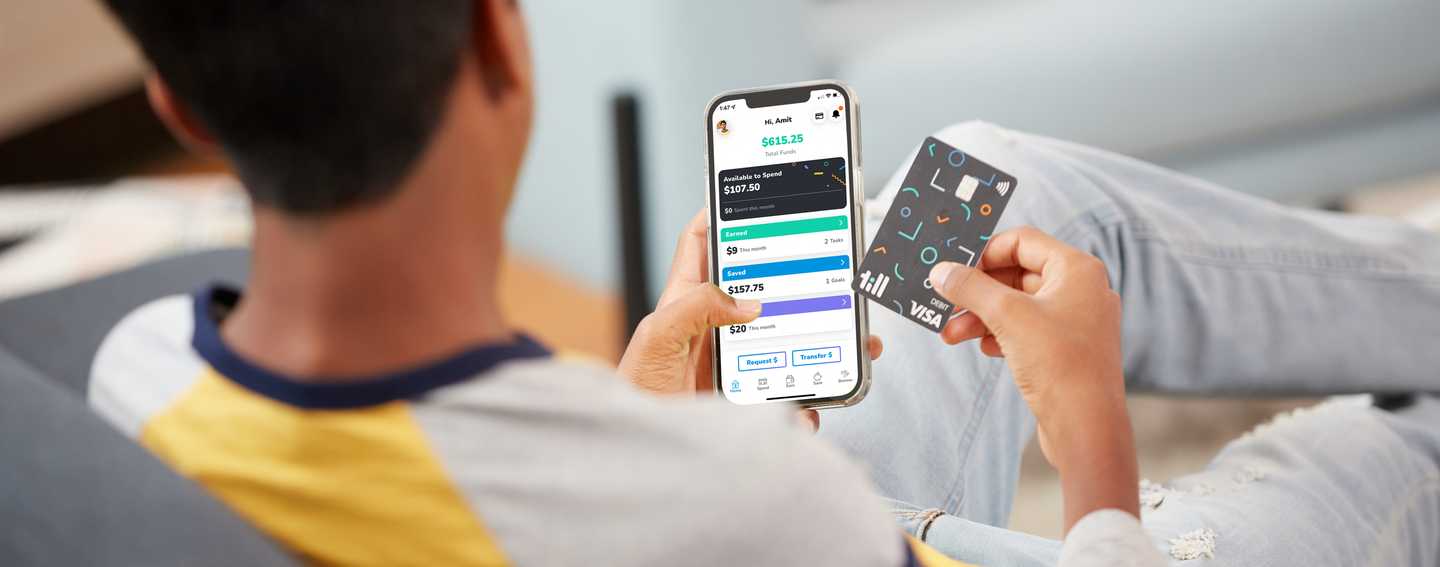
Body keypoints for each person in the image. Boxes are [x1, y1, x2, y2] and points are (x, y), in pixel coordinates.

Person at [84, 2, 1440, 567]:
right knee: (1395, 441)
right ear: (503, 47)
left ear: (177, 106)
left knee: (973, 176)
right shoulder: (749, 502)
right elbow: (737, 519)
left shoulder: (137, 375)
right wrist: (1088, 432)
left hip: (764, 520)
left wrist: (643, 425)